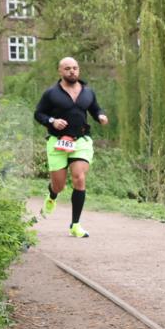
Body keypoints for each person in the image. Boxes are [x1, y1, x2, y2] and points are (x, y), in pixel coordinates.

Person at [34, 57, 108, 238]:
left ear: (79, 70)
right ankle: (52, 194)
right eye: (67, 68)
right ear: (60, 71)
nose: (72, 71)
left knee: (79, 178)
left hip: (81, 140)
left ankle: (75, 224)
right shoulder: (51, 93)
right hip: (57, 141)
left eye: (75, 68)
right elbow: (38, 113)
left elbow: (95, 109)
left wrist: (100, 116)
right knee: (59, 185)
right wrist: (52, 120)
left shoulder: (88, 92)